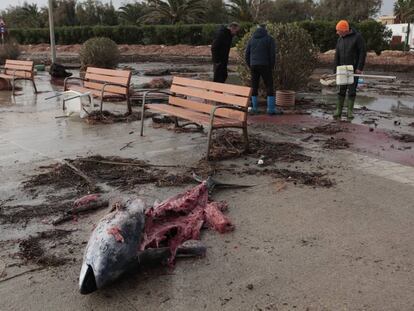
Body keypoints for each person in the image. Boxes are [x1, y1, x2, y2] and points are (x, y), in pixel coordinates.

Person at [334, 20, 367, 121]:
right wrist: (335, 70)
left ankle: (349, 112)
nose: (337, 33)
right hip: (342, 69)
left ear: (344, 30)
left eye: (338, 31)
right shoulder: (340, 39)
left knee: (352, 90)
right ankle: (338, 110)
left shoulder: (357, 37)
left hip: (353, 69)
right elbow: (337, 55)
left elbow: (362, 53)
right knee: (341, 89)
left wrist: (359, 68)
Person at [245, 24, 281, 115]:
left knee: (254, 86)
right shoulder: (269, 39)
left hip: (254, 65)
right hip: (265, 65)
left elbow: (246, 54)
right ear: (265, 29)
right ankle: (271, 109)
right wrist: (271, 66)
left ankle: (254, 107)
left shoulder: (251, 40)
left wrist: (251, 65)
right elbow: (272, 55)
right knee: (269, 85)